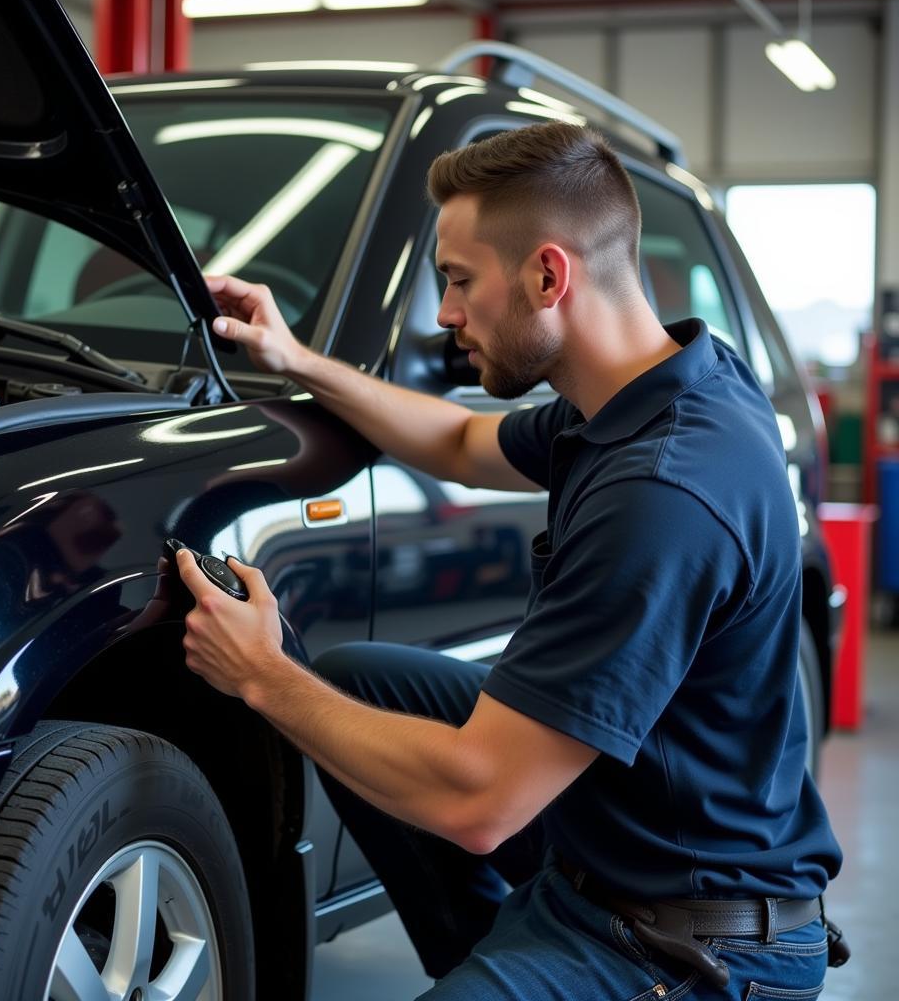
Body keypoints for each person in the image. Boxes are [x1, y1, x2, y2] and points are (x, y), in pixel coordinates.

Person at [174, 121, 844, 999]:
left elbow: (479, 804)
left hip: (696, 949)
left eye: (456, 281)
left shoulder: (664, 492)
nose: (447, 315)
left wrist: (261, 674)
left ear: (547, 275)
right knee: (364, 682)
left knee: (359, 715)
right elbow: (457, 439)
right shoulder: (652, 386)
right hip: (615, 851)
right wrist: (297, 361)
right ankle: (492, 962)